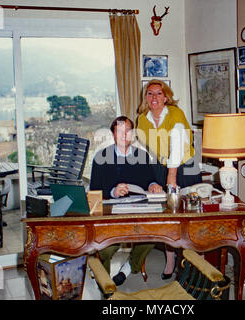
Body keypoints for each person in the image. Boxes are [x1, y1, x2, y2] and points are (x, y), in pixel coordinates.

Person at [136, 79, 202, 280]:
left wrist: (171, 176)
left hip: (184, 165)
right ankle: (171, 260)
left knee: (189, 216)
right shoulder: (142, 119)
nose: (154, 97)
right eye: (150, 93)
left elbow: (177, 144)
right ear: (145, 97)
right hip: (161, 165)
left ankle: (194, 263)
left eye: (158, 93)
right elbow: (145, 147)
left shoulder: (175, 114)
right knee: (167, 216)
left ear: (166, 97)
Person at [89, 116, 163, 286]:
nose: (124, 135)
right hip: (112, 215)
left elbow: (150, 180)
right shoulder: (101, 158)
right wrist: (112, 192)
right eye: (120, 131)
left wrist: (153, 186)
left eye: (128, 131)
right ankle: (105, 285)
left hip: (138, 211)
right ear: (113, 134)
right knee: (106, 250)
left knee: (152, 236)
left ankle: (128, 267)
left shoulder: (142, 155)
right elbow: (94, 191)